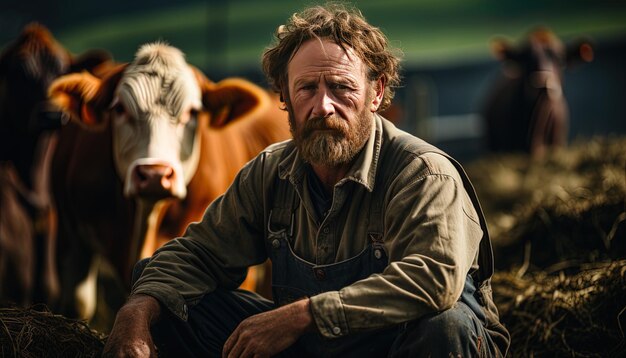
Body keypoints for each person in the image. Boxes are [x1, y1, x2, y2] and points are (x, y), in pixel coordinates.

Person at [103, 4, 510, 357]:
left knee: (445, 324)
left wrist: (304, 315)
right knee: (166, 295)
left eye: (341, 87)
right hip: (317, 348)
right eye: (307, 89)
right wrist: (134, 312)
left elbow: (434, 278)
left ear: (376, 92)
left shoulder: (421, 172)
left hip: (401, 346)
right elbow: (198, 255)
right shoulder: (270, 171)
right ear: (284, 98)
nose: (323, 106)